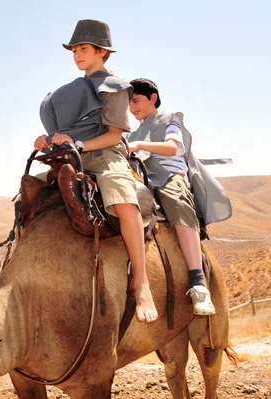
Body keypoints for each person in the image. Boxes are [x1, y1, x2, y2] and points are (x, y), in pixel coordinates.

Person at [34, 19, 158, 323]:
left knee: (124, 202)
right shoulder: (65, 94)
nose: (77, 54)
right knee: (29, 194)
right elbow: (61, 134)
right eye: (74, 49)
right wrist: (47, 142)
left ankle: (141, 283)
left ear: (102, 52)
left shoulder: (116, 86)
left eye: (83, 48)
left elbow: (114, 136)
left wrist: (76, 141)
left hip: (105, 156)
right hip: (71, 159)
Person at [127, 78, 232, 315]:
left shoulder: (170, 118)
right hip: (142, 178)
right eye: (129, 105)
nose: (132, 108)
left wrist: (138, 145)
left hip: (169, 176)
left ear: (152, 98)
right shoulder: (134, 132)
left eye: (136, 101)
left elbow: (172, 147)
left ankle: (198, 284)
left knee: (176, 200)